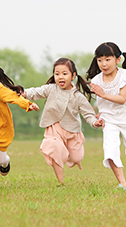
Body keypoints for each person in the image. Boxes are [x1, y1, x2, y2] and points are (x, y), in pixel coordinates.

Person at [22, 58, 103, 187]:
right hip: (54, 127)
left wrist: (95, 122)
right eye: (57, 73)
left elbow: (88, 114)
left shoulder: (78, 96)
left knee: (76, 158)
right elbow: (36, 92)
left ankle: (74, 154)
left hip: (72, 130)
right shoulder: (51, 89)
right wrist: (23, 93)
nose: (60, 77)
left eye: (65, 74)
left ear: (73, 76)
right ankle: (61, 182)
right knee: (55, 148)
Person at [87, 42, 126, 191]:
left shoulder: (124, 75)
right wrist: (98, 113)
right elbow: (100, 102)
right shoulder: (96, 81)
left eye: (108, 59)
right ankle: (122, 184)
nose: (103, 64)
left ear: (117, 60)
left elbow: (122, 99)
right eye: (99, 60)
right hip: (109, 120)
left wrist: (103, 94)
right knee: (110, 150)